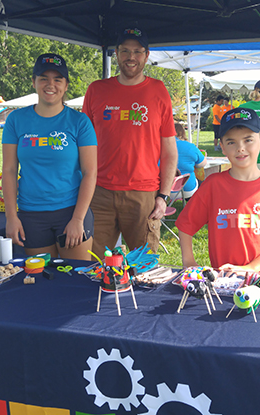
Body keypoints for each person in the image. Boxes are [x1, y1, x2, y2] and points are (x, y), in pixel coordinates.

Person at [82, 27, 177, 255]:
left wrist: (163, 197)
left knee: (144, 268)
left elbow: (169, 152)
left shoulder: (158, 90)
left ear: (146, 54)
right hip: (99, 192)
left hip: (143, 194)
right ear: (116, 53)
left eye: (137, 51)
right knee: (94, 264)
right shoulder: (97, 90)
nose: (131, 57)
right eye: (125, 51)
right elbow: (82, 145)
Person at [176, 107, 260, 274]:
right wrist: (188, 260)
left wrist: (251, 268)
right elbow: (185, 225)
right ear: (222, 147)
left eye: (248, 140)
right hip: (225, 279)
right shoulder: (213, 185)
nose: (240, 148)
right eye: (231, 142)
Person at [1, 53, 97, 260]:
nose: (50, 84)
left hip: (70, 210)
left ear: (66, 85)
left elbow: (90, 173)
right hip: (31, 214)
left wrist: (78, 219)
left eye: (57, 79)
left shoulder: (79, 122)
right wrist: (11, 216)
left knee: (76, 281)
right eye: (43, 78)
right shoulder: (16, 120)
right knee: (40, 280)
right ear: (34, 82)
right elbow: (9, 170)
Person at [174, 123, 206, 200]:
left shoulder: (159, 145)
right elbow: (202, 164)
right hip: (188, 188)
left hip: (163, 190)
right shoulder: (190, 146)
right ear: (182, 132)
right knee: (201, 178)